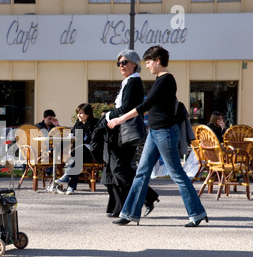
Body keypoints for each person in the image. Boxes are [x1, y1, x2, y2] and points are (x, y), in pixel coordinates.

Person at [107, 46, 208, 227]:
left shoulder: (166, 80)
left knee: (177, 173)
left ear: (158, 60)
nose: (146, 66)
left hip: (165, 133)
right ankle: (129, 214)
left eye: (148, 62)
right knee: (142, 172)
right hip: (154, 133)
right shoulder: (160, 79)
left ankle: (197, 213)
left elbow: (145, 105)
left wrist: (120, 118)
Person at [101, 50, 160, 218]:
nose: (121, 66)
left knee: (120, 169)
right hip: (121, 130)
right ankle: (142, 199)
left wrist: (108, 115)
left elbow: (127, 107)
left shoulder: (134, 81)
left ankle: (144, 198)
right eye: (119, 63)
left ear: (135, 64)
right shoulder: (128, 81)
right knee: (122, 169)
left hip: (126, 131)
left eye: (124, 62)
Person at [54, 103, 98, 195]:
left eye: (81, 113)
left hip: (92, 152)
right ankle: (70, 187)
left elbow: (95, 140)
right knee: (77, 159)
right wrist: (57, 149)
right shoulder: (78, 124)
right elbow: (69, 138)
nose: (79, 115)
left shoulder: (95, 123)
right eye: (78, 113)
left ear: (88, 113)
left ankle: (67, 178)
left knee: (78, 154)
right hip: (79, 153)